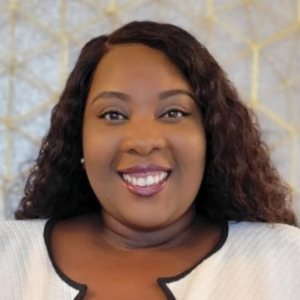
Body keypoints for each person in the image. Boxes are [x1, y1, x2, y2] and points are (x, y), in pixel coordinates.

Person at [1, 20, 300, 300]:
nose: (143, 142)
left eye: (173, 113)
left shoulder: (285, 260)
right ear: (78, 139)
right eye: (113, 115)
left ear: (211, 136)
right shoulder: (8, 254)